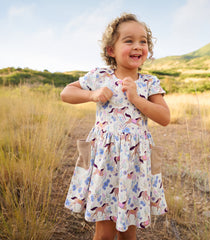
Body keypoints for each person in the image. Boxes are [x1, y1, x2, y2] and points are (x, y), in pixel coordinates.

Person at [61, 13, 170, 240]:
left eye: (143, 41)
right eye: (129, 40)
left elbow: (164, 117)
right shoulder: (100, 76)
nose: (138, 46)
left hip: (134, 162)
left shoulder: (150, 82)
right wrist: (93, 94)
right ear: (111, 50)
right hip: (105, 162)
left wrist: (137, 98)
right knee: (103, 233)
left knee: (128, 230)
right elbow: (66, 93)